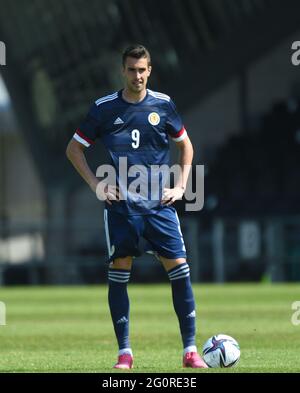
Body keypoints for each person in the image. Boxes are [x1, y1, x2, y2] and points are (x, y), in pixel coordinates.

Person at [66, 44, 207, 369]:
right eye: (132, 69)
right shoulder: (103, 108)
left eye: (142, 69)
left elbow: (186, 146)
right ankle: (124, 354)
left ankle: (190, 351)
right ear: (123, 71)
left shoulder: (164, 105)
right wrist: (96, 184)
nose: (137, 75)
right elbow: (74, 149)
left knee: (180, 270)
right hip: (122, 208)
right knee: (120, 271)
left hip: (159, 206)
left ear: (150, 70)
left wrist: (182, 185)